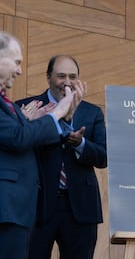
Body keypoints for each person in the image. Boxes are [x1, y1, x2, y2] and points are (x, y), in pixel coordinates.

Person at [16, 55, 107, 259]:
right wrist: (30, 124)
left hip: (80, 208)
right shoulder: (26, 108)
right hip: (38, 205)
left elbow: (104, 157)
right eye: (61, 76)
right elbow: (18, 147)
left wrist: (81, 144)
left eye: (72, 76)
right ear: (48, 77)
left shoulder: (92, 112)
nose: (67, 82)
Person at [0, 32, 80, 259]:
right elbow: (18, 138)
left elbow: (18, 133)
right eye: (16, 62)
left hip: (17, 211)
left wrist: (34, 121)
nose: (20, 71)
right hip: (7, 210)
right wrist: (56, 113)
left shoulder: (9, 104)